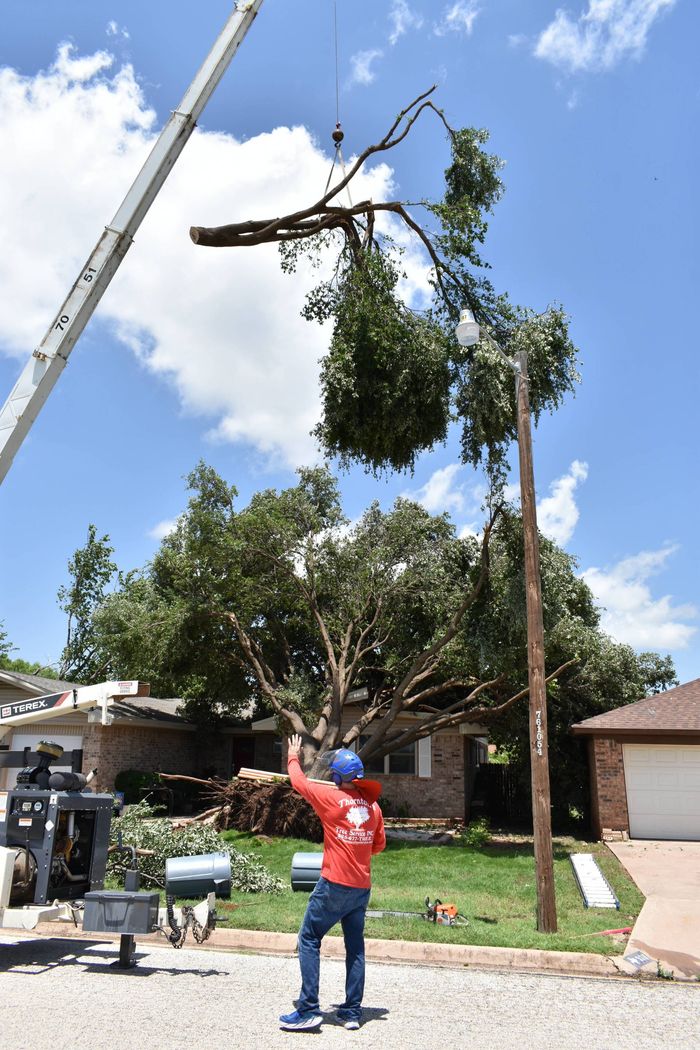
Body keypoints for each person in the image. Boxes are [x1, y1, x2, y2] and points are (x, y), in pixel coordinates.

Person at [279, 733, 386, 1032]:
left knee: (310, 938)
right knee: (355, 947)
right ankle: (351, 1012)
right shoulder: (374, 808)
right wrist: (358, 843)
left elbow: (299, 782)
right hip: (361, 888)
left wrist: (292, 755)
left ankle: (308, 1009)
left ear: (338, 776)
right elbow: (378, 845)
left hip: (333, 884)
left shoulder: (331, 799)